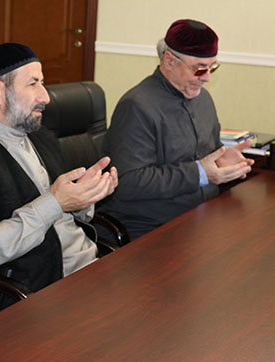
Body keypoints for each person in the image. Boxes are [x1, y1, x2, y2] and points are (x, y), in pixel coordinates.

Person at [0, 43, 118, 316]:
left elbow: (66, 214)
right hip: (39, 297)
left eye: (42, 83)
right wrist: (55, 202)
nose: (45, 96)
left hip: (90, 271)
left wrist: (85, 195)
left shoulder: (39, 135)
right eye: (33, 84)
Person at [100, 19, 254, 240]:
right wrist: (200, 173)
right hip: (151, 226)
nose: (207, 78)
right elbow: (129, 182)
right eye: (199, 69)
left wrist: (223, 162)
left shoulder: (203, 99)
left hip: (200, 217)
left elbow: (206, 158)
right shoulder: (137, 105)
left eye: (212, 67)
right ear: (170, 60)